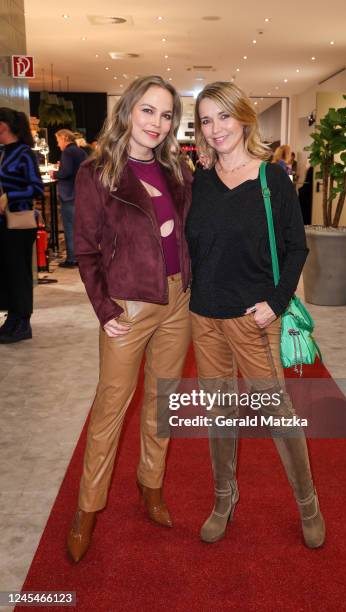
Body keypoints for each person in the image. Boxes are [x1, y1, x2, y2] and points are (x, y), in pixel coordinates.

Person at [186, 82, 325, 548]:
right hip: (204, 317)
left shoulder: (272, 178)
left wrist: (277, 301)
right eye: (206, 120)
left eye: (223, 117)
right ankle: (224, 497)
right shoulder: (198, 181)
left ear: (243, 119)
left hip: (254, 318)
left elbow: (296, 246)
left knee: (277, 414)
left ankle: (308, 502)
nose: (216, 128)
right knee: (219, 413)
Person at [67, 76, 192, 563]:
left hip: (178, 301)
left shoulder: (177, 170)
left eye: (165, 115)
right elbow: (86, 250)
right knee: (109, 411)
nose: (157, 124)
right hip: (128, 306)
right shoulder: (98, 172)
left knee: (163, 404)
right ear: (127, 112)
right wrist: (104, 309)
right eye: (147, 111)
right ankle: (87, 509)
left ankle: (151, 485)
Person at [0, 107, 43, 344]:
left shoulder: (23, 153)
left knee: (19, 273)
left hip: (19, 223)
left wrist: (9, 196)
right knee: (6, 272)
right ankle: (12, 319)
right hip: (2, 224)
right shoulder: (3, 152)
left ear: (4, 125)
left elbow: (35, 188)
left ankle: (23, 322)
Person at [53, 129, 87, 267]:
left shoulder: (67, 152)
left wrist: (54, 174)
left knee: (70, 227)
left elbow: (65, 172)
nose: (57, 144)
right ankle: (81, 256)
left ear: (65, 138)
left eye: (58, 140)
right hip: (80, 193)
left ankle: (72, 258)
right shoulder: (80, 151)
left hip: (69, 194)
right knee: (79, 228)